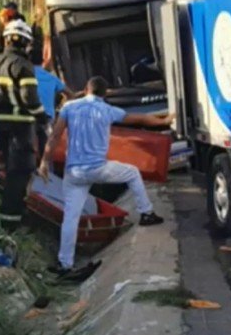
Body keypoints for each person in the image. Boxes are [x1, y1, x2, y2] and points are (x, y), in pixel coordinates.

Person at [38, 76, 170, 279]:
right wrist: (165, 120)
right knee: (132, 172)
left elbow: (55, 136)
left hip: (74, 172)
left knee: (71, 217)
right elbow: (141, 119)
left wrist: (45, 162)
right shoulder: (108, 110)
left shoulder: (69, 108)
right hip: (99, 168)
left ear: (85, 89)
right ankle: (146, 213)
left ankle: (65, 264)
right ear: (105, 93)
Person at [0, 20, 47, 231]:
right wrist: (42, 119)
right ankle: (10, 222)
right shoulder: (23, 66)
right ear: (26, 43)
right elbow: (29, 98)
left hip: (0, 127)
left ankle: (16, 213)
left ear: (6, 39)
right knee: (20, 172)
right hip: (21, 127)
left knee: (10, 167)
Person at [30, 42, 74, 162]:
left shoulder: (24, 76)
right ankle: (48, 174)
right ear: (43, 60)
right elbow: (70, 94)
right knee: (47, 152)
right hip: (47, 117)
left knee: (29, 151)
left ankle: (31, 174)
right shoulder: (51, 78)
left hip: (29, 117)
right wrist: (63, 111)